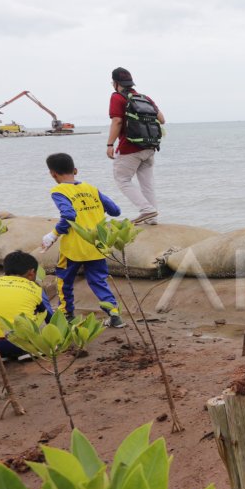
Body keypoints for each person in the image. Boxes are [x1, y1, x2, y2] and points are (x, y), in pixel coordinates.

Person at [40, 152, 125, 328]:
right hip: (96, 245)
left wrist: (53, 235)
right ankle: (114, 314)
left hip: (73, 247)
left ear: (52, 173)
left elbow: (69, 214)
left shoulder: (58, 190)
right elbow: (115, 211)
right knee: (98, 281)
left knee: (64, 280)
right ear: (75, 170)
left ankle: (66, 314)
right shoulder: (91, 188)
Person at [0, 250, 52, 364]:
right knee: (33, 309)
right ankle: (28, 350)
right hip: (22, 341)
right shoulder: (36, 289)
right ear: (32, 273)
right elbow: (50, 317)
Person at [107, 67, 164, 225]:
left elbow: (117, 121)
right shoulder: (144, 97)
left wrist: (110, 144)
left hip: (130, 148)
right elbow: (162, 119)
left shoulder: (117, 97)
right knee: (147, 183)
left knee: (122, 179)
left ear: (115, 83)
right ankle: (152, 218)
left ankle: (146, 210)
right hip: (149, 148)